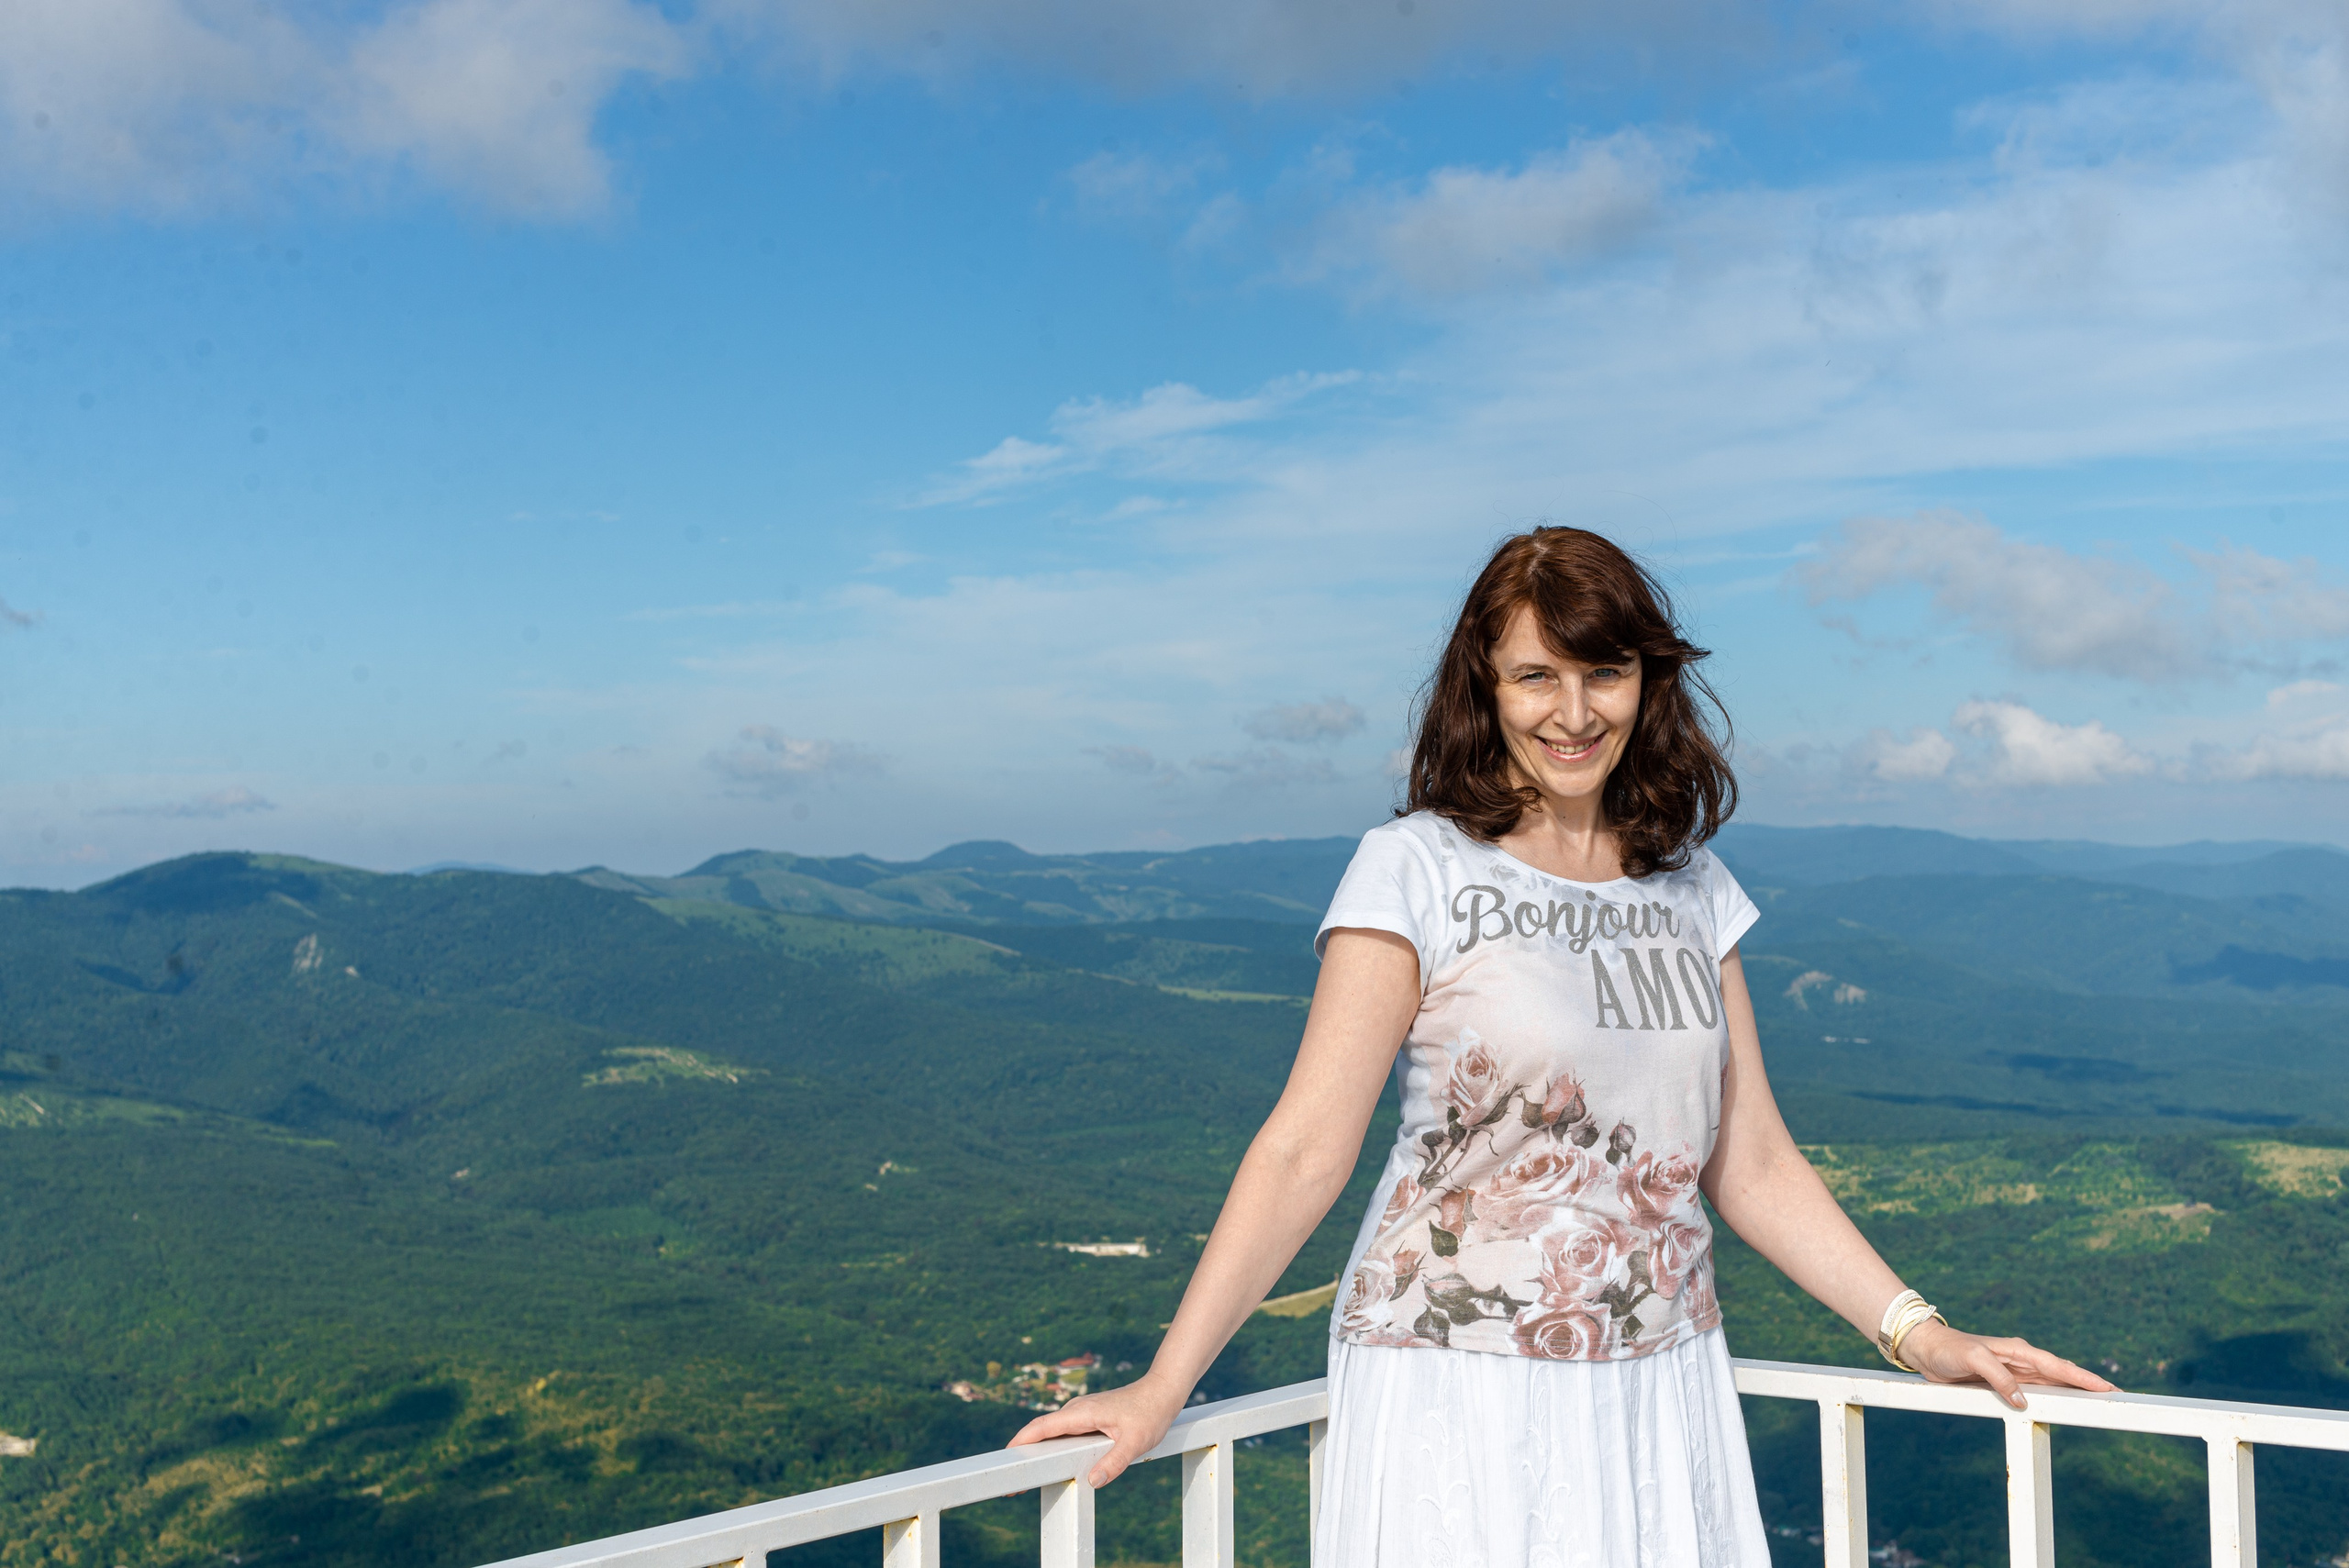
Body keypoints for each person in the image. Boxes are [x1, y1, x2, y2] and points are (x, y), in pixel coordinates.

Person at [1010, 527, 2111, 1564]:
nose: (1573, 710)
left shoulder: (1693, 890)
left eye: (1606, 671)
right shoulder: (1415, 868)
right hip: (1456, 1387)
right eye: (1535, 674)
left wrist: (1920, 1332)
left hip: (1661, 1379)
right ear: (1483, 691)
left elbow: (1751, 1157)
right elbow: (1305, 1146)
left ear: (1647, 682)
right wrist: (1165, 1384)